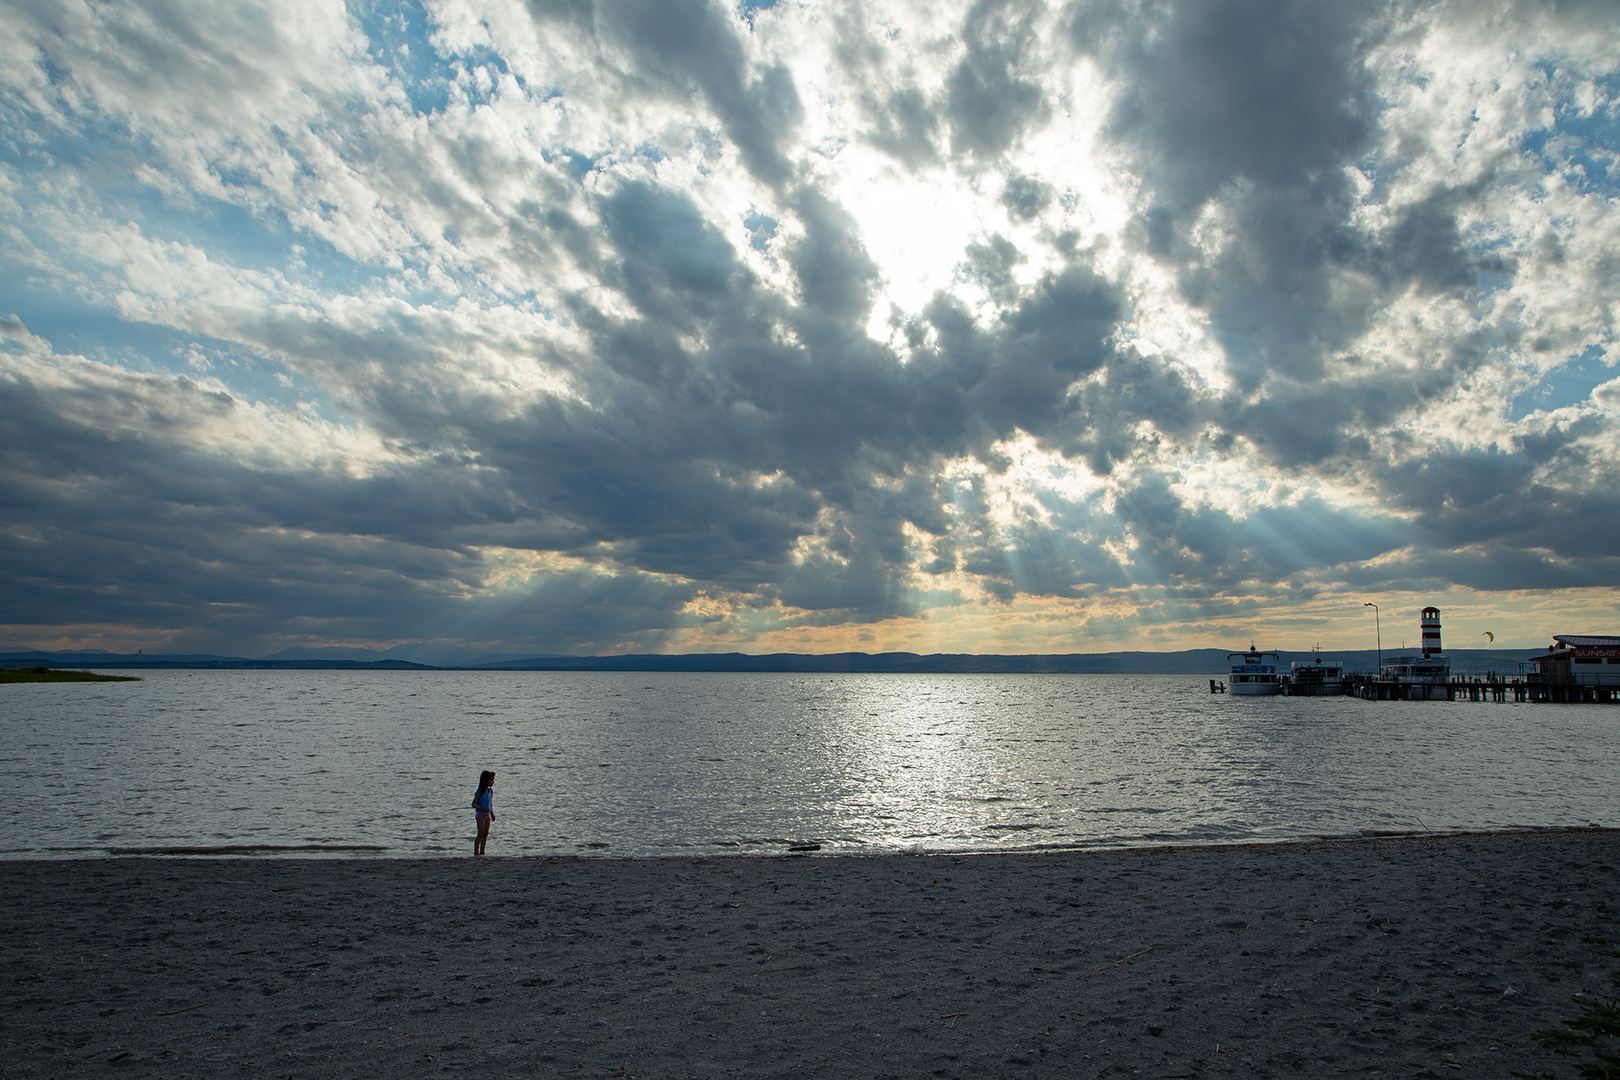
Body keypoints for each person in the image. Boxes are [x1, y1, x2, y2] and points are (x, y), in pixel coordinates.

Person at [471, 770, 495, 855]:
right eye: (491, 780)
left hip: (487, 815)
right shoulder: (480, 792)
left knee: (485, 834)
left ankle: (482, 851)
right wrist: (481, 808)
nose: (493, 782)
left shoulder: (490, 791)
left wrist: (492, 813)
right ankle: (476, 852)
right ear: (486, 780)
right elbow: (473, 804)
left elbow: (490, 803)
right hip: (480, 814)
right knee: (480, 833)